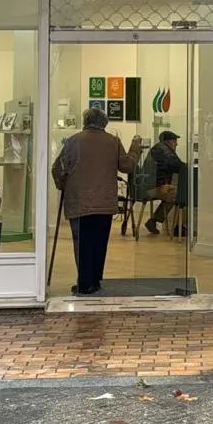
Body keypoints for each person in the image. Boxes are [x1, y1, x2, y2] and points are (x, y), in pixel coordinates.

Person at [52, 107, 143, 295]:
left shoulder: (73, 141)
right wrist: (135, 150)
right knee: (99, 243)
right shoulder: (113, 141)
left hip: (80, 202)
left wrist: (63, 184)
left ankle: (84, 283)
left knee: (82, 242)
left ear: (86, 121)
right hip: (105, 203)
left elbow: (58, 168)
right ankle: (96, 280)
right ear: (105, 123)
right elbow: (127, 166)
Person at [145, 130, 188, 236]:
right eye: (175, 141)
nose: (176, 144)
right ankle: (178, 227)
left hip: (151, 185)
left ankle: (154, 221)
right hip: (152, 188)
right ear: (168, 141)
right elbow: (177, 165)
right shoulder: (163, 150)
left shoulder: (159, 148)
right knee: (179, 193)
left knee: (175, 191)